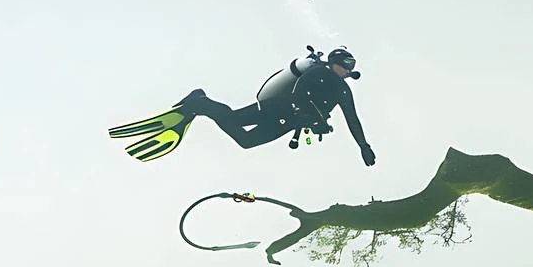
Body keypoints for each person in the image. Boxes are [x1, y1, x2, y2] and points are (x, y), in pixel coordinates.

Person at [108, 46, 377, 166]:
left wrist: (363, 146)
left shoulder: (342, 90)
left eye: (350, 68)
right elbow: (299, 93)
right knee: (238, 128)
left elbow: (353, 119)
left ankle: (199, 103)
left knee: (242, 136)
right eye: (345, 65)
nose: (347, 71)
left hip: (287, 123)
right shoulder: (316, 73)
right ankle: (199, 103)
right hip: (276, 110)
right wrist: (309, 115)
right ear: (334, 62)